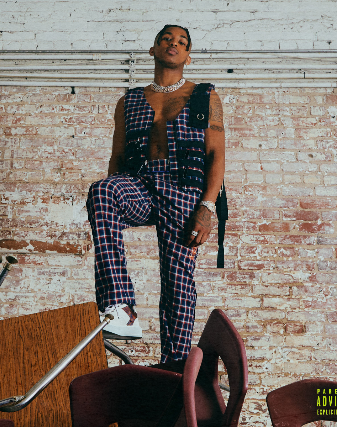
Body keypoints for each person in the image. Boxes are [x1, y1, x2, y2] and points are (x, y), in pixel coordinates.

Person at [86, 25, 225, 363]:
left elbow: (216, 154)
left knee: (177, 278)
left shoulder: (205, 96)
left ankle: (174, 364)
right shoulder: (129, 101)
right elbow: (118, 156)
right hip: (142, 184)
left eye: (181, 42)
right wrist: (113, 201)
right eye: (167, 39)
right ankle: (121, 308)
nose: (173, 44)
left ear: (188, 56)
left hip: (184, 188)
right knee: (103, 190)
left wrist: (207, 207)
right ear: (153, 49)